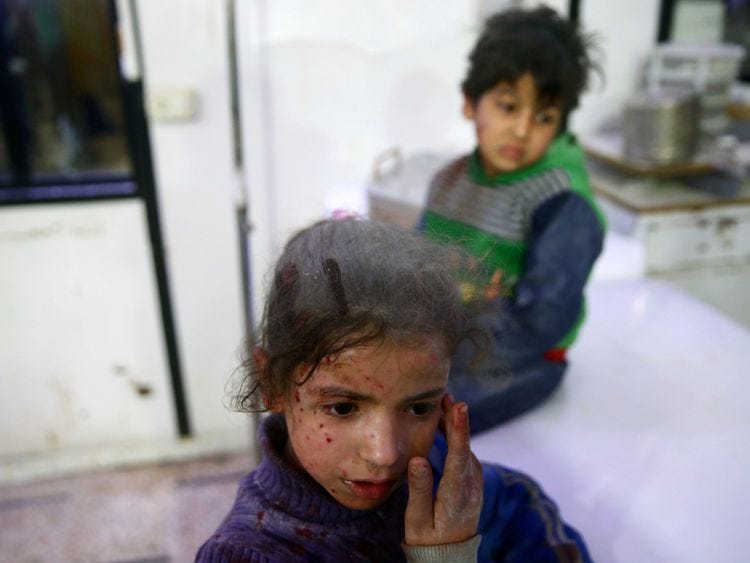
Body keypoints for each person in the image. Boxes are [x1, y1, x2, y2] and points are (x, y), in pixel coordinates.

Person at [196, 218, 591, 562]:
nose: (386, 454)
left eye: (418, 408)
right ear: (272, 383)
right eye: (343, 408)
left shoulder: (430, 465)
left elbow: (512, 499)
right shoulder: (244, 554)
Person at [418, 6, 606, 433]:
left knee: (412, 427)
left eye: (543, 117)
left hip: (523, 361)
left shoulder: (563, 203)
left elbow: (542, 324)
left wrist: (434, 358)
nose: (522, 130)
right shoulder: (448, 181)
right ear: (470, 102)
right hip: (445, 345)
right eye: (508, 106)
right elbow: (412, 271)